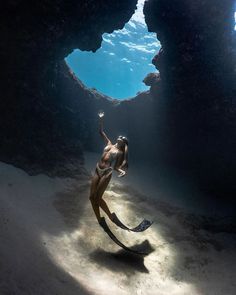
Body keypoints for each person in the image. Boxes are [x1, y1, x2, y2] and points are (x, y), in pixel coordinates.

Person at [89, 111, 128, 225]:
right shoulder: (109, 143)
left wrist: (122, 171)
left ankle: (110, 216)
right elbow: (100, 132)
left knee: (98, 197)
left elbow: (116, 167)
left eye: (122, 138)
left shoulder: (120, 152)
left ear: (123, 143)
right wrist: (101, 119)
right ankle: (99, 219)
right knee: (91, 197)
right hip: (97, 169)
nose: (120, 137)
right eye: (120, 136)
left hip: (106, 172)